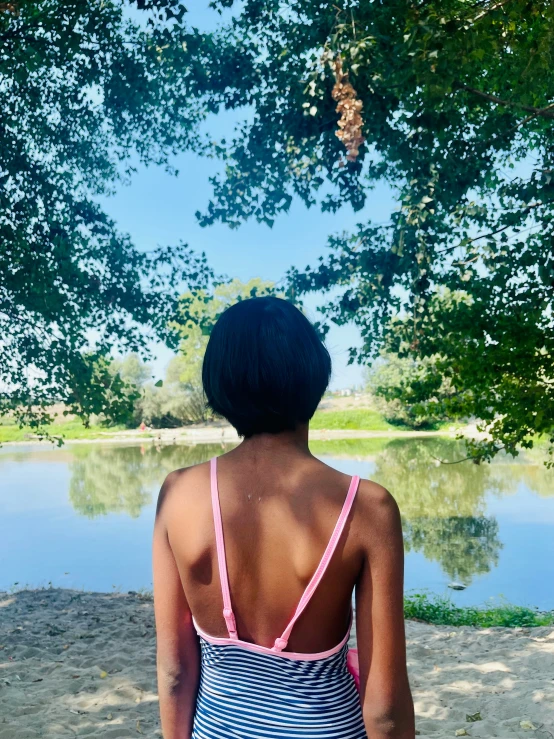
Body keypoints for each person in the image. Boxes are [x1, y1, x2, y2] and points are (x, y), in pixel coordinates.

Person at [153, 296, 414, 739]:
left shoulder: (177, 494)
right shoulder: (367, 508)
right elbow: (384, 708)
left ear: (220, 386)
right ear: (313, 377)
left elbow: (176, 672)